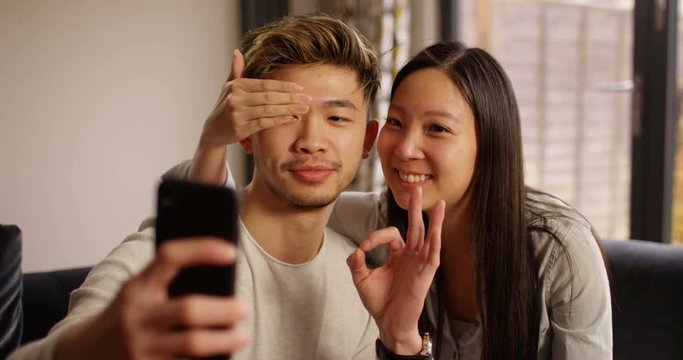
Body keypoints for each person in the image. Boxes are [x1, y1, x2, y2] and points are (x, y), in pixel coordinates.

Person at [191, 41, 612, 359]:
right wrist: (214, 141)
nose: (405, 148)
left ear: (489, 145)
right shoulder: (376, 223)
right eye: (396, 121)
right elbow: (249, 209)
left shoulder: (560, 251)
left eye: (438, 129)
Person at [9, 14, 382, 360]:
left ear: (367, 140)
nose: (311, 141)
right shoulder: (162, 260)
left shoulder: (364, 283)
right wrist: (93, 345)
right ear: (246, 133)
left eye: (336, 118)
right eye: (285, 114)